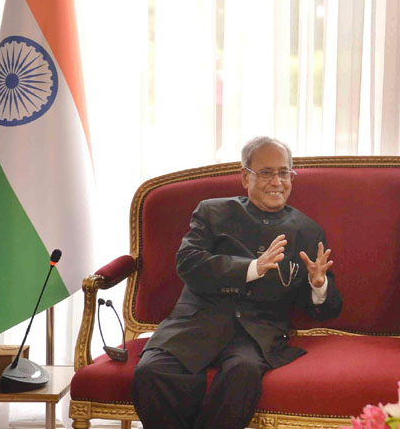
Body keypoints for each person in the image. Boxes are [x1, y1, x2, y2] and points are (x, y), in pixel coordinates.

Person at [132, 137, 342, 429]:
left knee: (242, 373)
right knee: (151, 372)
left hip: (256, 334)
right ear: (245, 177)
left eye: (284, 173)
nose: (277, 182)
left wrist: (318, 286)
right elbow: (188, 263)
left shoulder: (307, 231)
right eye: (266, 172)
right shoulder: (212, 212)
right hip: (196, 324)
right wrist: (252, 268)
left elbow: (325, 309)